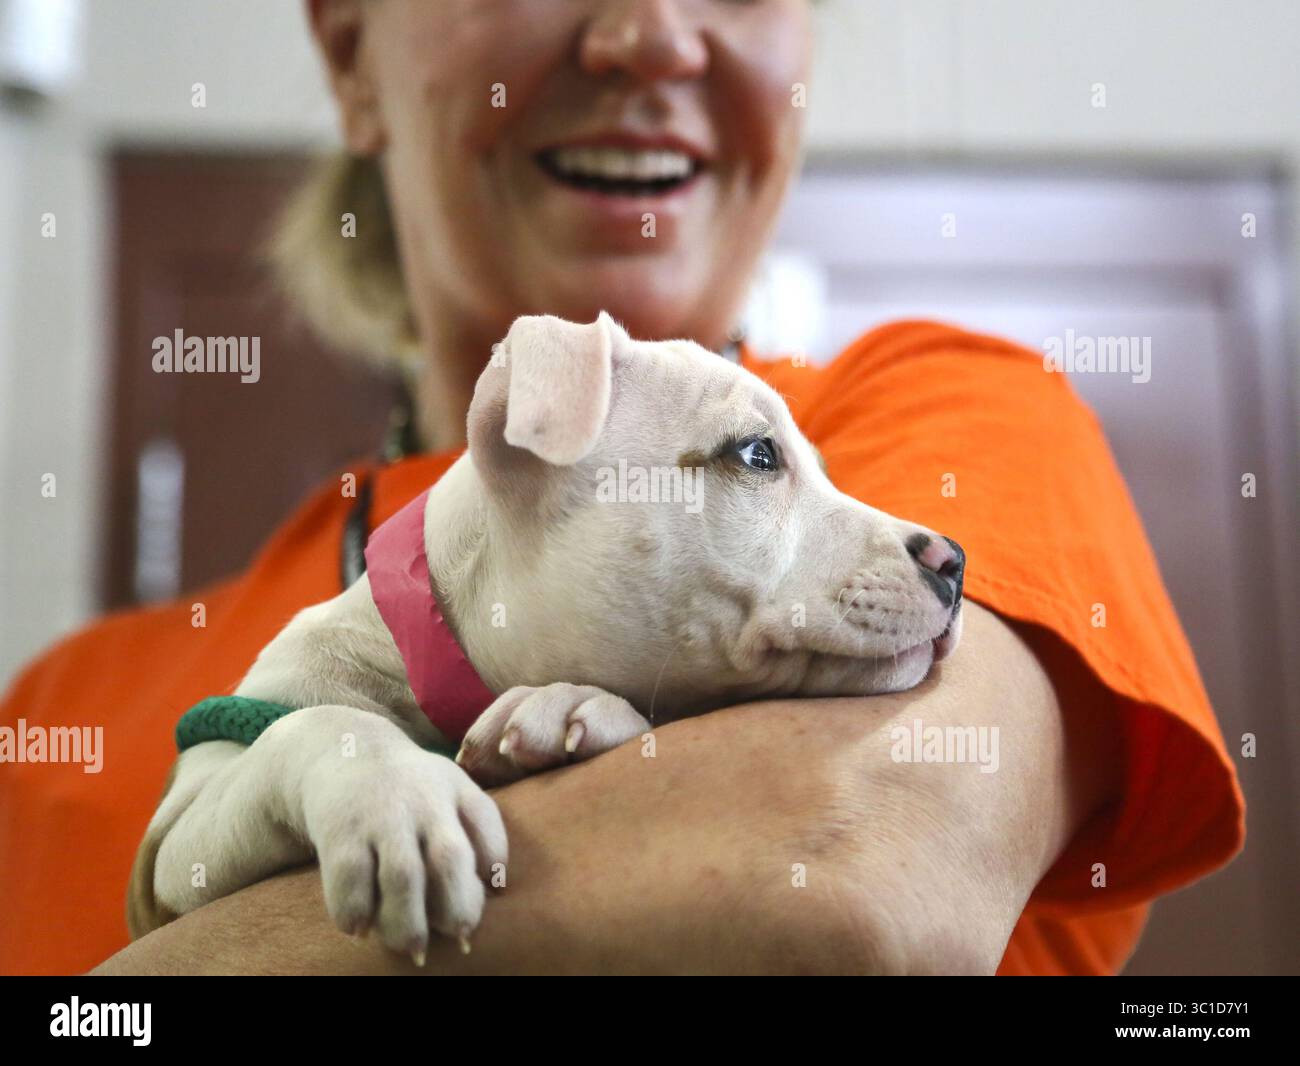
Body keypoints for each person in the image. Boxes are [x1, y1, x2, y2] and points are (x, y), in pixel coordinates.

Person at [0, 0, 1243, 976]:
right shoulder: (54, 708)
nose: (651, 30)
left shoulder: (962, 420)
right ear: (350, 51)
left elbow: (840, 881)